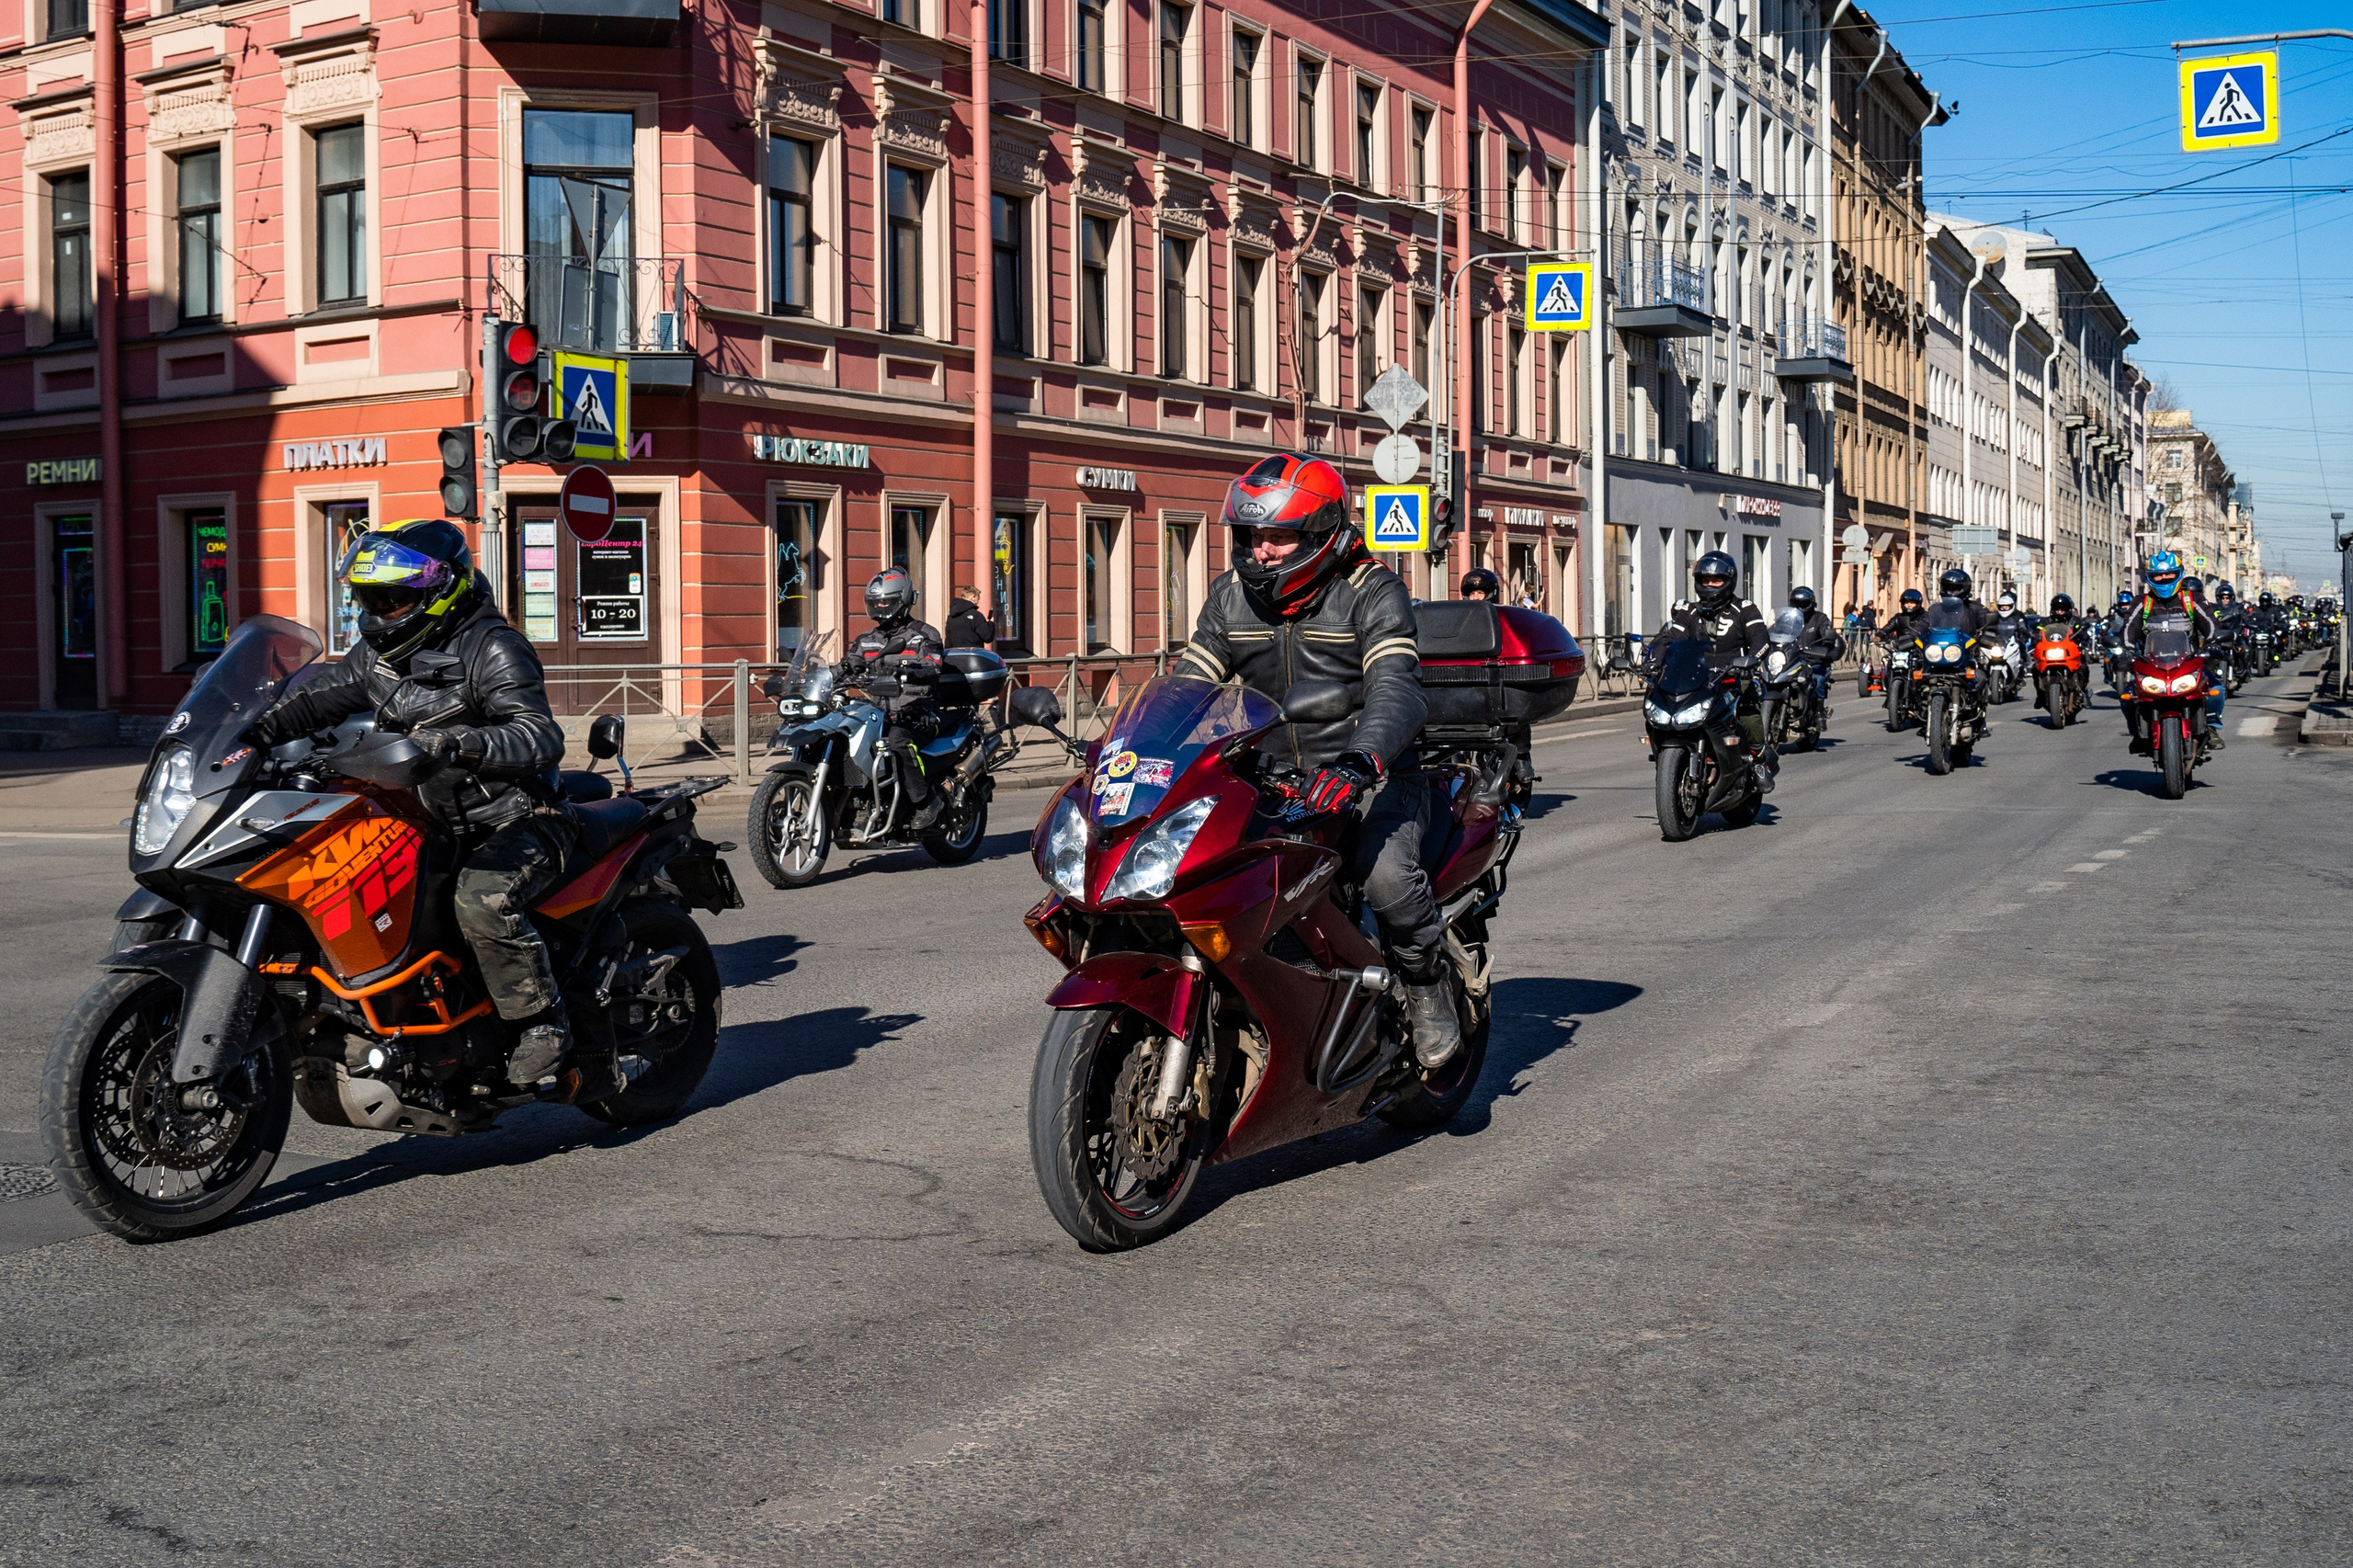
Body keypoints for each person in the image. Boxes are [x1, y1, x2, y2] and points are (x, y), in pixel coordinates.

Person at [240, 519, 611, 1100]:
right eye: (369, 599)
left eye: (394, 599)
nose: (380, 612)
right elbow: (319, 700)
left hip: (518, 816)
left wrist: (465, 744)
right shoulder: (378, 656)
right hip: (428, 813)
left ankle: (540, 1021)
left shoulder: (492, 646)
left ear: (443, 591)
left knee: (480, 899)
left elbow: (539, 736)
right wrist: (253, 729)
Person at [1176, 453, 1456, 1066]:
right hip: (1269, 783)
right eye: (1252, 535)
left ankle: (1427, 985)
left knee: (1385, 878)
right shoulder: (1229, 599)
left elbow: (1395, 686)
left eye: (1278, 537)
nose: (1262, 551)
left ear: (1323, 534)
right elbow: (1189, 689)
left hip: (1368, 777)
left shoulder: (1371, 590)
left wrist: (1362, 759)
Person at [1651, 550, 1777, 790]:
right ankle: (1669, 759)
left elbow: (1761, 639)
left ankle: (1757, 759)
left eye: (1716, 580)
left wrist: (1750, 660)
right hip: (1697, 678)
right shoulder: (1690, 611)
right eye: (1704, 580)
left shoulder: (1745, 609)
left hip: (1735, 677)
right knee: (1662, 708)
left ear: (1729, 581)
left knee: (1749, 716)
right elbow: (1670, 638)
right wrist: (1653, 660)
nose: (1709, 585)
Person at [845, 566, 950, 829]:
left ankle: (925, 801)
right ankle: (859, 802)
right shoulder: (866, 639)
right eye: (875, 602)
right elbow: (849, 664)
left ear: (901, 601)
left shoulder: (924, 634)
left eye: (886, 602)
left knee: (897, 739)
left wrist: (903, 670)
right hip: (878, 712)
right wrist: (822, 672)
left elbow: (932, 668)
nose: (880, 607)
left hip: (918, 712)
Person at [1788, 585, 1845, 707]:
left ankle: (1818, 712)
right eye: (1795, 603)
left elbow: (1828, 634)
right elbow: (1777, 632)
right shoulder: (1788, 619)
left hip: (1814, 662)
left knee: (1817, 680)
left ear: (1811, 604)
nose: (1799, 607)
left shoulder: (1820, 618)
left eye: (1803, 604)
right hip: (1792, 662)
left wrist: (1824, 648)